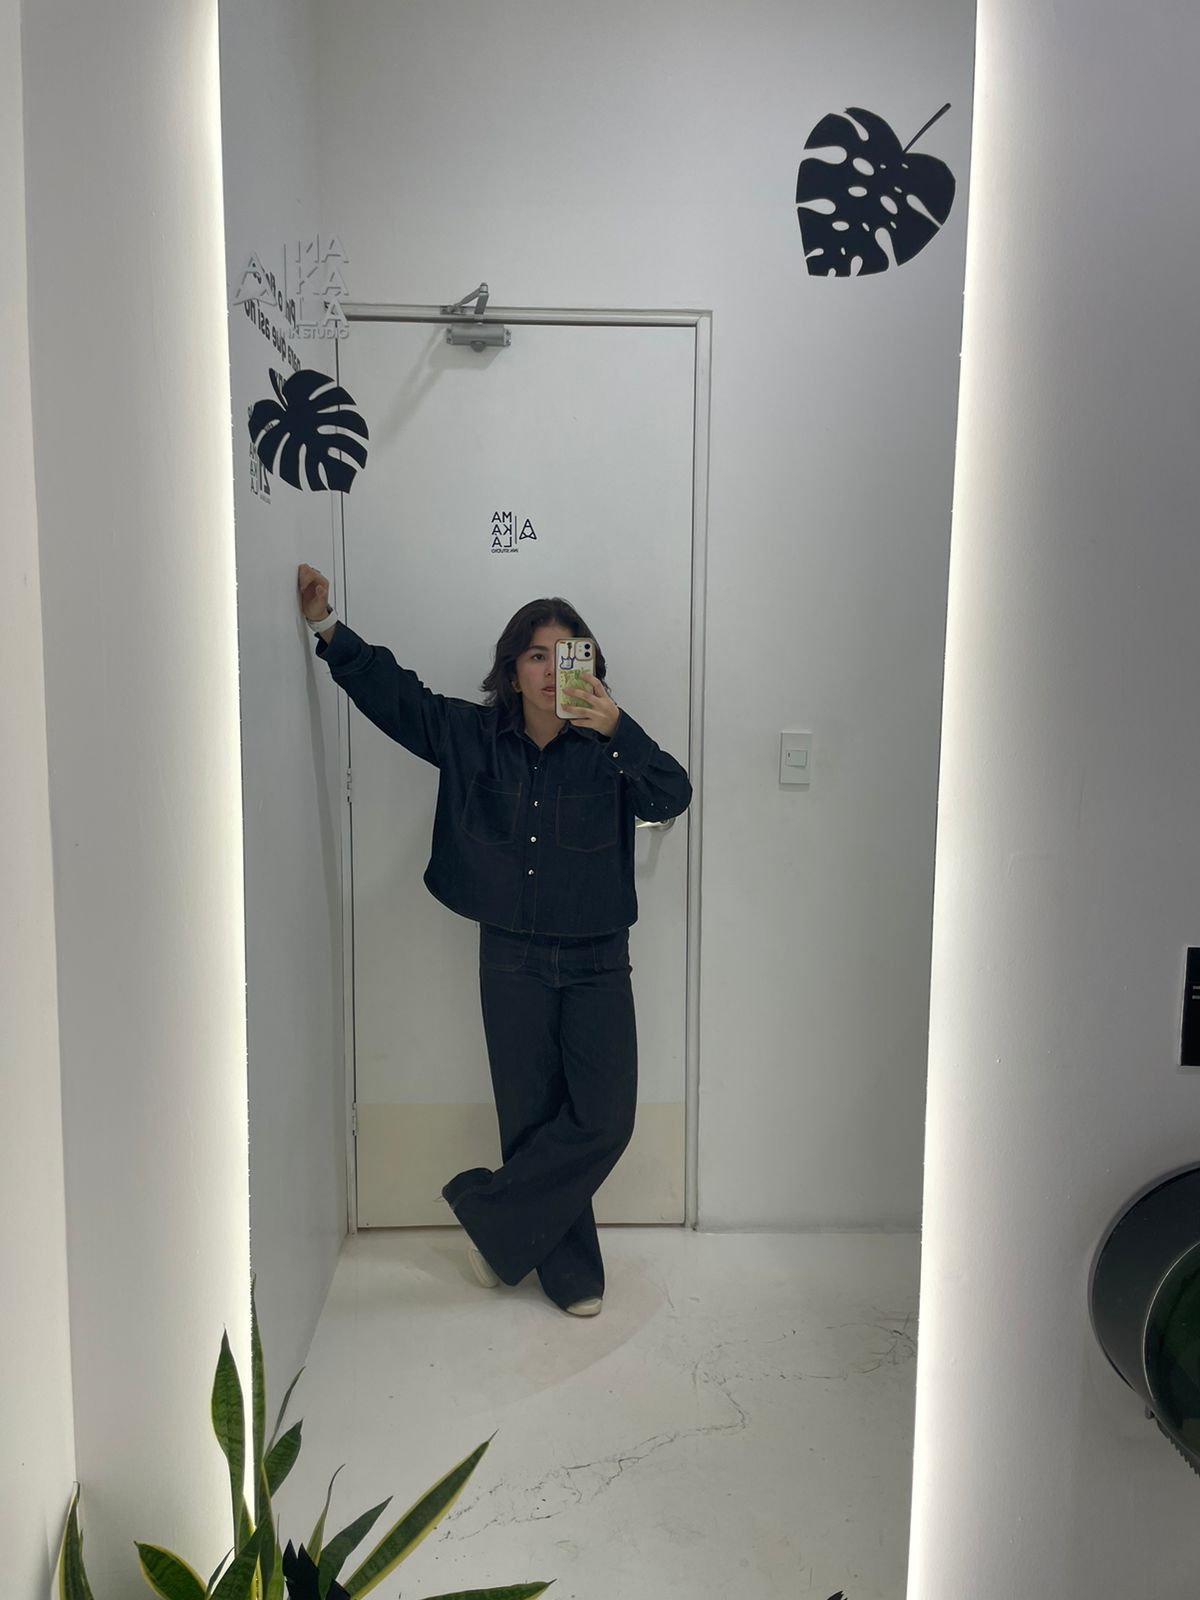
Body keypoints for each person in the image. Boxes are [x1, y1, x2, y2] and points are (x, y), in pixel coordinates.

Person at [297, 563, 692, 1317]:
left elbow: (673, 791)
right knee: (531, 1118)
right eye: (536, 654)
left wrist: (617, 727)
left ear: (589, 667)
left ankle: (489, 1217)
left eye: (566, 654)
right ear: (512, 669)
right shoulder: (473, 736)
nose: (549, 670)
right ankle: (568, 1272)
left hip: (598, 958)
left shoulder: (608, 747)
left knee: (606, 1118)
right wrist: (326, 628)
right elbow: (398, 697)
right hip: (510, 955)